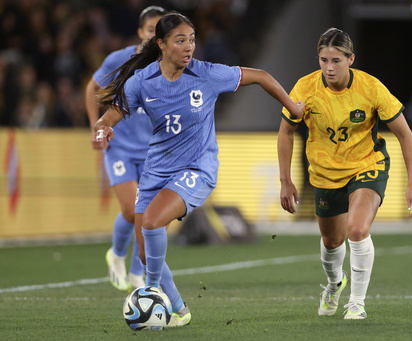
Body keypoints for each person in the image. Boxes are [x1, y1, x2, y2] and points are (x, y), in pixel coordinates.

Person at [93, 12, 304, 327]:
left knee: (151, 223)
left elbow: (260, 75)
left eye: (191, 40)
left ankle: (151, 293)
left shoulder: (207, 74)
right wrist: (102, 128)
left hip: (197, 167)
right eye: (180, 41)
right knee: (142, 250)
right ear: (162, 44)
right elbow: (113, 112)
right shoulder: (143, 80)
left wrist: (292, 105)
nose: (189, 47)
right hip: (157, 170)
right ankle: (179, 310)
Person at [278, 28, 412, 320]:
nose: (329, 67)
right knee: (332, 242)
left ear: (351, 59)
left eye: (336, 60)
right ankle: (334, 284)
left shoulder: (371, 88)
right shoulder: (305, 89)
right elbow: (286, 132)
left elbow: (405, 135)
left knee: (356, 230)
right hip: (324, 174)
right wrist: (285, 180)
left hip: (367, 166)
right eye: (323, 60)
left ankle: (357, 303)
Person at [84, 6, 167, 293]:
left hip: (152, 152)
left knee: (149, 214)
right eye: (150, 31)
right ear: (140, 32)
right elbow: (91, 88)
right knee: (133, 211)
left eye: (160, 32)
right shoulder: (119, 59)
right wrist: (96, 127)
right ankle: (117, 254)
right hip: (119, 146)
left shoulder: (168, 65)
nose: (154, 37)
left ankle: (136, 272)